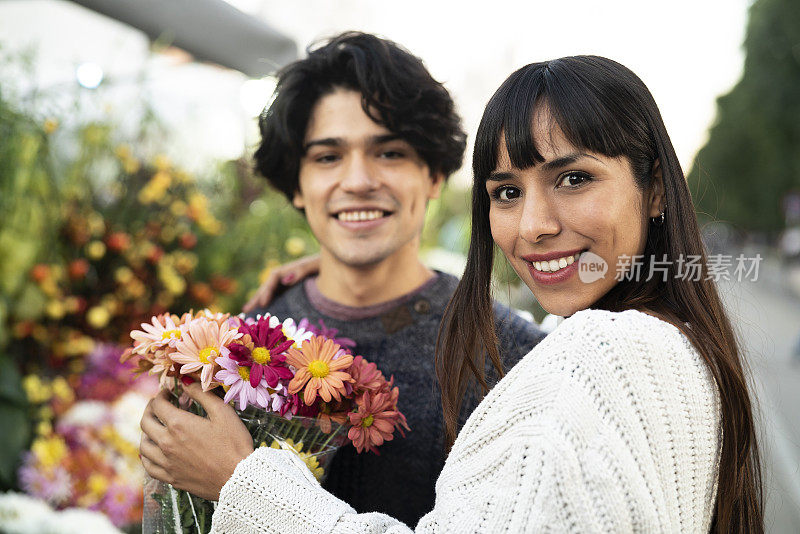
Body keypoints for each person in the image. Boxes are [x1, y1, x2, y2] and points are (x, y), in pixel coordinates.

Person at [142, 55, 764, 532]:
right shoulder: (248, 335)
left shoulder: (540, 354)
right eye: (507, 192)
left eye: (574, 179)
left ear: (435, 176)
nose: (533, 225)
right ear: (295, 184)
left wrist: (243, 482)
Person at [139, 31, 544, 527]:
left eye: (390, 152)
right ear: (297, 185)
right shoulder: (242, 346)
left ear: (435, 174)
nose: (357, 181)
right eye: (327, 157)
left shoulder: (512, 357)